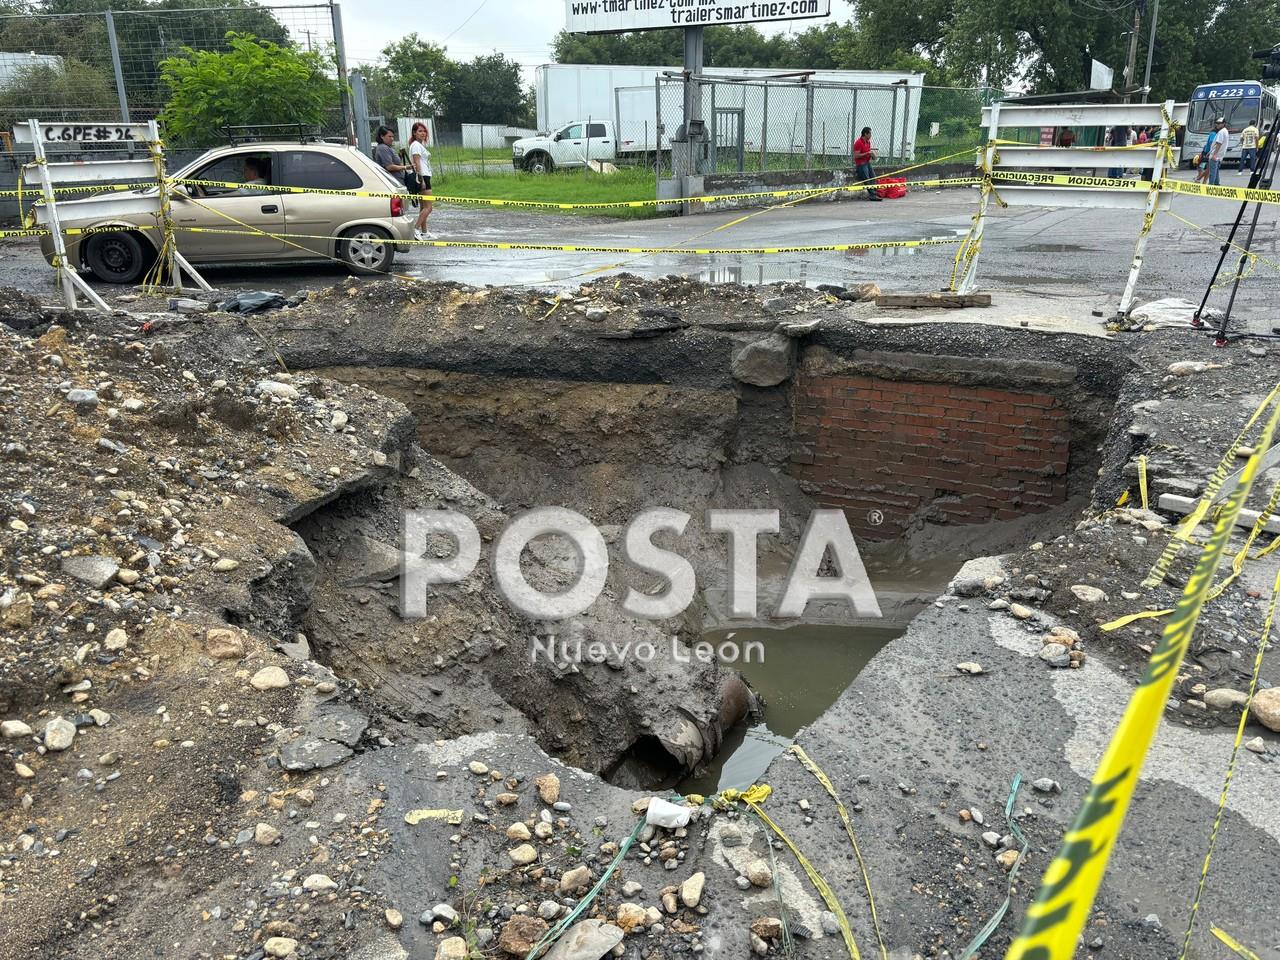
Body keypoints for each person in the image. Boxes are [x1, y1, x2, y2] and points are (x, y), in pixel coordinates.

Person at [409, 121, 434, 239]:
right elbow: (417, 162)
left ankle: (424, 232)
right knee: (429, 207)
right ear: (414, 133)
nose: (423, 133)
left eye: (424, 131)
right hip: (422, 177)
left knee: (423, 207)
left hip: (425, 176)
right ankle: (415, 229)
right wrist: (421, 179)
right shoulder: (415, 145)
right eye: (420, 131)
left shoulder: (419, 145)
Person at [853, 126, 881, 201]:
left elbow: (868, 153)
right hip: (861, 164)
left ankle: (875, 192)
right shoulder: (858, 142)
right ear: (865, 134)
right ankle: (872, 195)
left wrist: (872, 155)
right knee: (867, 178)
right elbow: (856, 156)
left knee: (873, 177)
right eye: (870, 134)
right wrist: (867, 153)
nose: (871, 135)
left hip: (867, 163)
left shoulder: (868, 142)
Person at [1207, 117, 1227, 185]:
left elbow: (1219, 143)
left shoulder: (1221, 132)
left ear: (1224, 124)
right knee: (1216, 171)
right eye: (1217, 123)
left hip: (1215, 155)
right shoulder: (1225, 131)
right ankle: (1216, 184)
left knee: (1212, 172)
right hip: (1219, 155)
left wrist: (1214, 154)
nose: (1217, 125)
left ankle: (1211, 186)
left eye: (1219, 123)